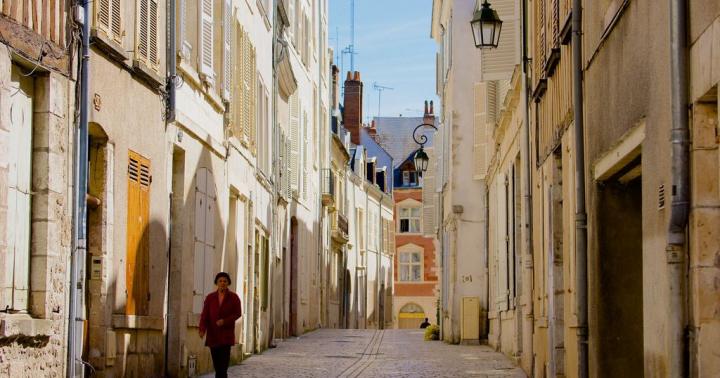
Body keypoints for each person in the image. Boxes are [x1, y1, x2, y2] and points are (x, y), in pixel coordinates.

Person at [199, 272, 242, 378]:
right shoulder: (210, 298)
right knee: (217, 366)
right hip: (213, 336)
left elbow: (238, 313)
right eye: (220, 281)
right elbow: (205, 315)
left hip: (226, 336)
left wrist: (225, 321)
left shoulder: (234, 297)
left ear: (228, 283)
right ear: (217, 283)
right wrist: (202, 329)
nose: (222, 283)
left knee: (223, 367)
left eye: (225, 281)